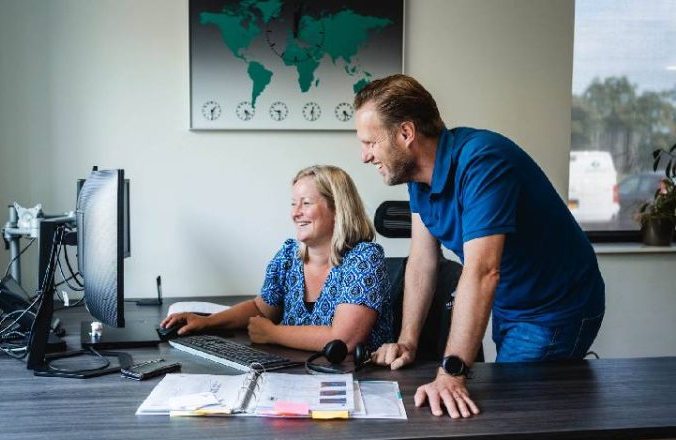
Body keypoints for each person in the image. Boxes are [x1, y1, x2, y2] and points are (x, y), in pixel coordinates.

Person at [353, 74, 605, 419]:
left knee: (511, 415)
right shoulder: (418, 177)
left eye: (370, 142)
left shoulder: (483, 161)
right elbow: (423, 262)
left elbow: (483, 271)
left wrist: (451, 374)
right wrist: (408, 341)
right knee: (511, 405)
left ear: (406, 133)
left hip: (555, 306)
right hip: (511, 302)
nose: (364, 156)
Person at [160, 165, 393, 353]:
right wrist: (207, 322)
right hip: (296, 373)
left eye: (306, 203)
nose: (296, 212)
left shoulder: (364, 258)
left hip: (357, 381)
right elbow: (261, 309)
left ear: (338, 209)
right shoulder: (289, 256)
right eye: (293, 204)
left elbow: (344, 340)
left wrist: (272, 333)